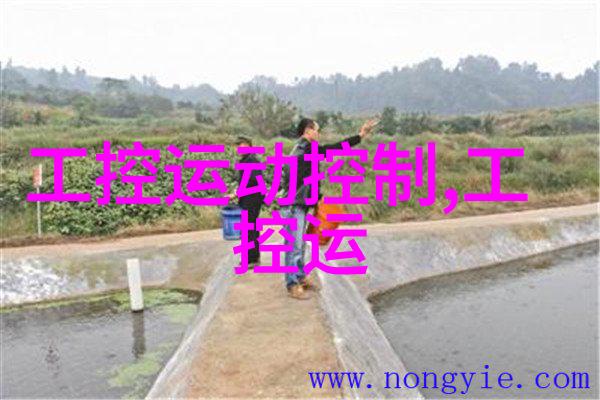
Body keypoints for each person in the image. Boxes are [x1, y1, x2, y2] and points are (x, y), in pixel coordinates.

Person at [279, 118, 377, 300]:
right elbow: (334, 148)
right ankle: (292, 284)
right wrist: (360, 135)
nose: (319, 133)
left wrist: (314, 197)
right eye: (317, 130)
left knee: (299, 244)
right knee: (293, 245)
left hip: (298, 203)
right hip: (293, 205)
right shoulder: (305, 149)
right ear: (308, 131)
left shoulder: (301, 149)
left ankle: (300, 277)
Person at [231, 136, 265, 267]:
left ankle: (250, 259)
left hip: (252, 198)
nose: (241, 149)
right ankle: (254, 257)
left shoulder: (251, 160)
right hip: (250, 197)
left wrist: (237, 193)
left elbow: (252, 180)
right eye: (239, 146)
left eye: (244, 146)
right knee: (252, 228)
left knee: (249, 228)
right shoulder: (247, 160)